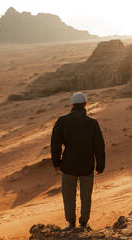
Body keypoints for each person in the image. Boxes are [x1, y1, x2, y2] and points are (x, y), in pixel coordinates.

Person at [51, 92, 105, 230]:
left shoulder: (62, 121)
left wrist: (56, 163)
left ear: (72, 105)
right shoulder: (92, 123)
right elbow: (99, 145)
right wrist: (100, 165)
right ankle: (84, 223)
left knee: (69, 196)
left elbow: (55, 144)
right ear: (85, 104)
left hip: (68, 166)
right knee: (86, 196)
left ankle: (71, 223)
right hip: (87, 166)